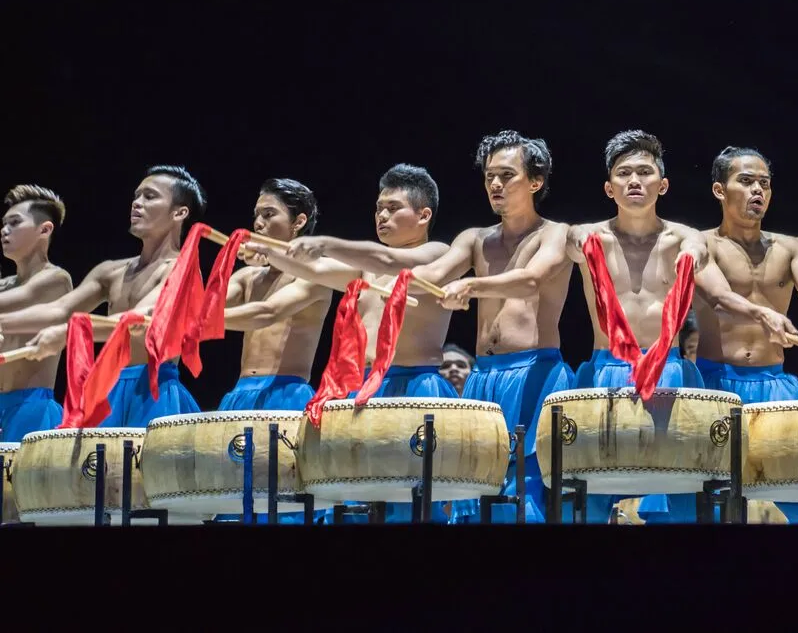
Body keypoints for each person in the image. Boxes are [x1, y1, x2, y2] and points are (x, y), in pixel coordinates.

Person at [563, 132, 773, 524]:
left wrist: (761, 313)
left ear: (663, 184)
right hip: (607, 367)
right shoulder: (589, 234)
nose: (634, 180)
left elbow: (713, 280)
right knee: (592, 489)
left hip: (670, 370)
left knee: (685, 487)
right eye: (624, 173)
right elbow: (574, 241)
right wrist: (577, 240)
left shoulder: (684, 238)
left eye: (645, 172)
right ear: (609, 188)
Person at [244, 163, 459, 524]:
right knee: (356, 501)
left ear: (423, 215)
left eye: (393, 208)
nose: (382, 216)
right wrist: (268, 251)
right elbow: (314, 270)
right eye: (378, 208)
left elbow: (389, 259)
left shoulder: (437, 253)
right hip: (359, 389)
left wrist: (325, 244)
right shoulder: (364, 270)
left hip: (413, 385)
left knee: (408, 504)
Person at [399, 131, 574, 525]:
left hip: (535, 371)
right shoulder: (474, 239)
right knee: (474, 488)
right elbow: (432, 274)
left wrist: (471, 286)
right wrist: (361, 270)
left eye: (507, 175)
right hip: (483, 376)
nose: (495, 184)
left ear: (535, 181)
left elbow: (531, 280)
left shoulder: (556, 233)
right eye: (489, 176)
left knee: (525, 489)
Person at [690, 146, 798, 523]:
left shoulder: (793, 246)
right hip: (714, 383)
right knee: (707, 500)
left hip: (776, 386)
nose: (757, 190)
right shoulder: (699, 243)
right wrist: (764, 314)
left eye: (764, 183)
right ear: (719, 190)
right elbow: (718, 296)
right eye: (745, 181)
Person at [0, 166, 204, 426]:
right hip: (109, 389)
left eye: (150, 196)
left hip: (154, 390)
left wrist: (69, 332)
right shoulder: (110, 271)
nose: (137, 203)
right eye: (136, 196)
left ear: (179, 213)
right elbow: (60, 310)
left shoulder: (182, 268)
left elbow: (138, 321)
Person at [216, 179, 331, 411]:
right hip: (240, 392)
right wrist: (227, 260)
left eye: (269, 214)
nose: (258, 223)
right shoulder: (247, 276)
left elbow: (268, 312)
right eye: (257, 215)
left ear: (298, 222)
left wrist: (198, 320)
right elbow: (206, 305)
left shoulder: (315, 274)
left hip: (287, 393)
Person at [0, 185, 74, 441]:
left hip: (32, 409)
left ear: (44, 229)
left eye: (14, 223)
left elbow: (24, 296)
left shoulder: (56, 279)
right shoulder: (4, 285)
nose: (4, 230)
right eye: (4, 224)